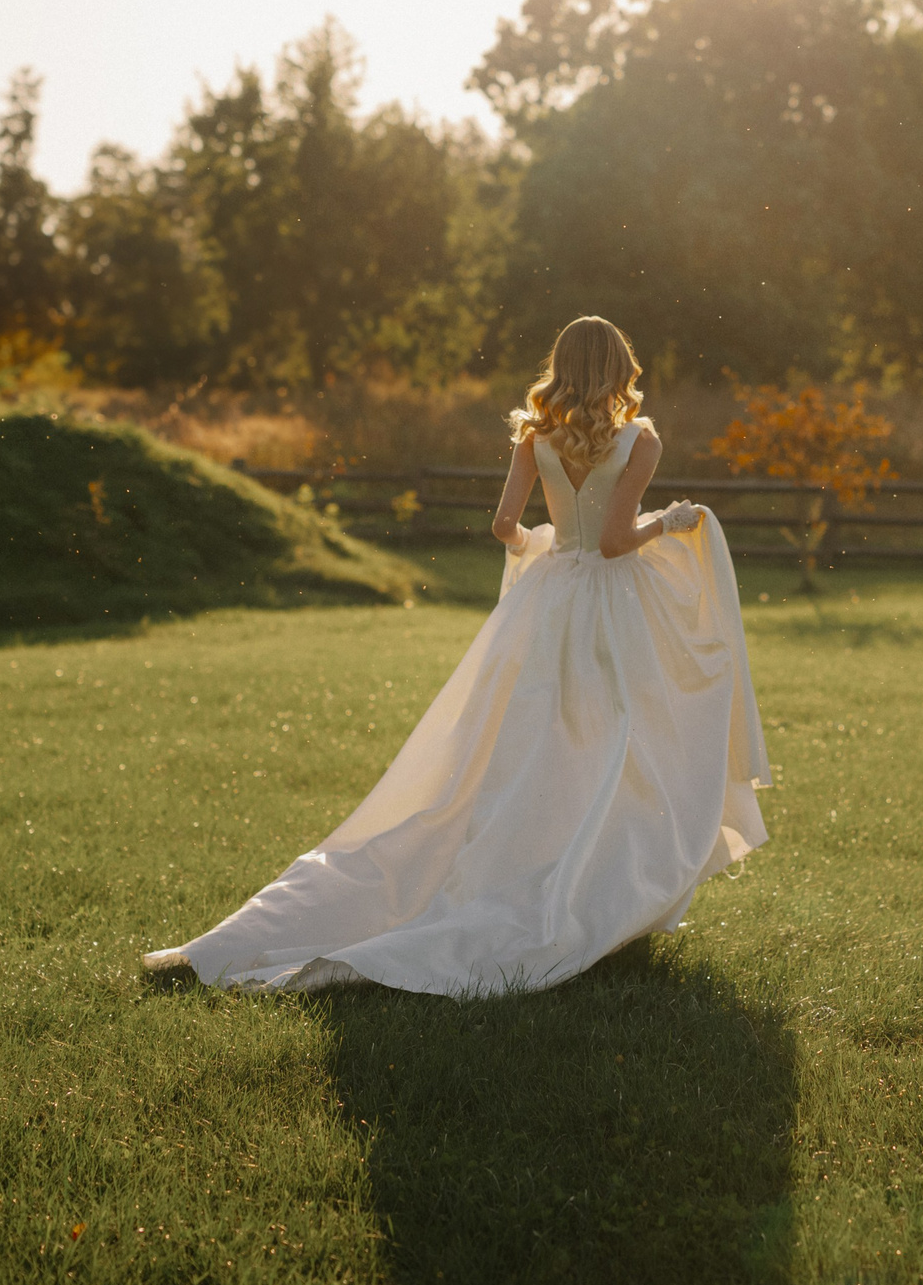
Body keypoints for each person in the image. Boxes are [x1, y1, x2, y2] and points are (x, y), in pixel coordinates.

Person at [144, 316, 771, 995]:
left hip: (553, 598)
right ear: (621, 367)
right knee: (622, 739)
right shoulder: (638, 440)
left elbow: (505, 526)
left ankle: (531, 860)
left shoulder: (536, 438)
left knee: (529, 740)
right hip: (616, 608)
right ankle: (597, 883)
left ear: (560, 366)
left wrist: (545, 541)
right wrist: (671, 521)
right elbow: (619, 540)